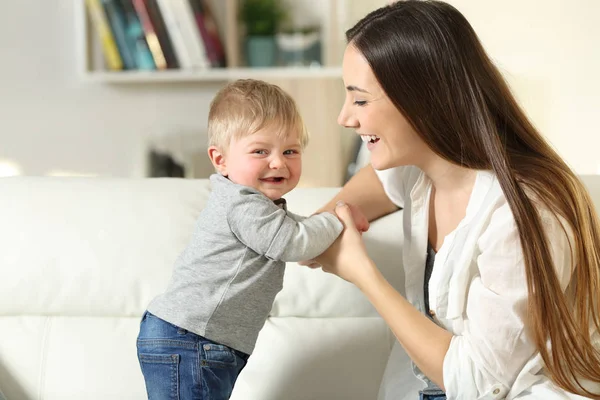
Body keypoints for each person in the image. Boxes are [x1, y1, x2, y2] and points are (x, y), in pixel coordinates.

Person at [304, 1, 600, 399]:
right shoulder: (418, 169)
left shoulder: (525, 211)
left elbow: (477, 382)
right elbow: (378, 179)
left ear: (421, 100)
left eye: (359, 100)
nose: (345, 117)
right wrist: (325, 222)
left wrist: (361, 273)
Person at [136, 79, 369, 400]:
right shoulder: (241, 203)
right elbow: (293, 242)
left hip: (190, 338)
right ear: (221, 161)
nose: (278, 162)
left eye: (290, 150)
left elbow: (292, 231)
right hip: (193, 339)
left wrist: (323, 230)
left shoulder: (252, 206)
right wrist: (337, 219)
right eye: (260, 151)